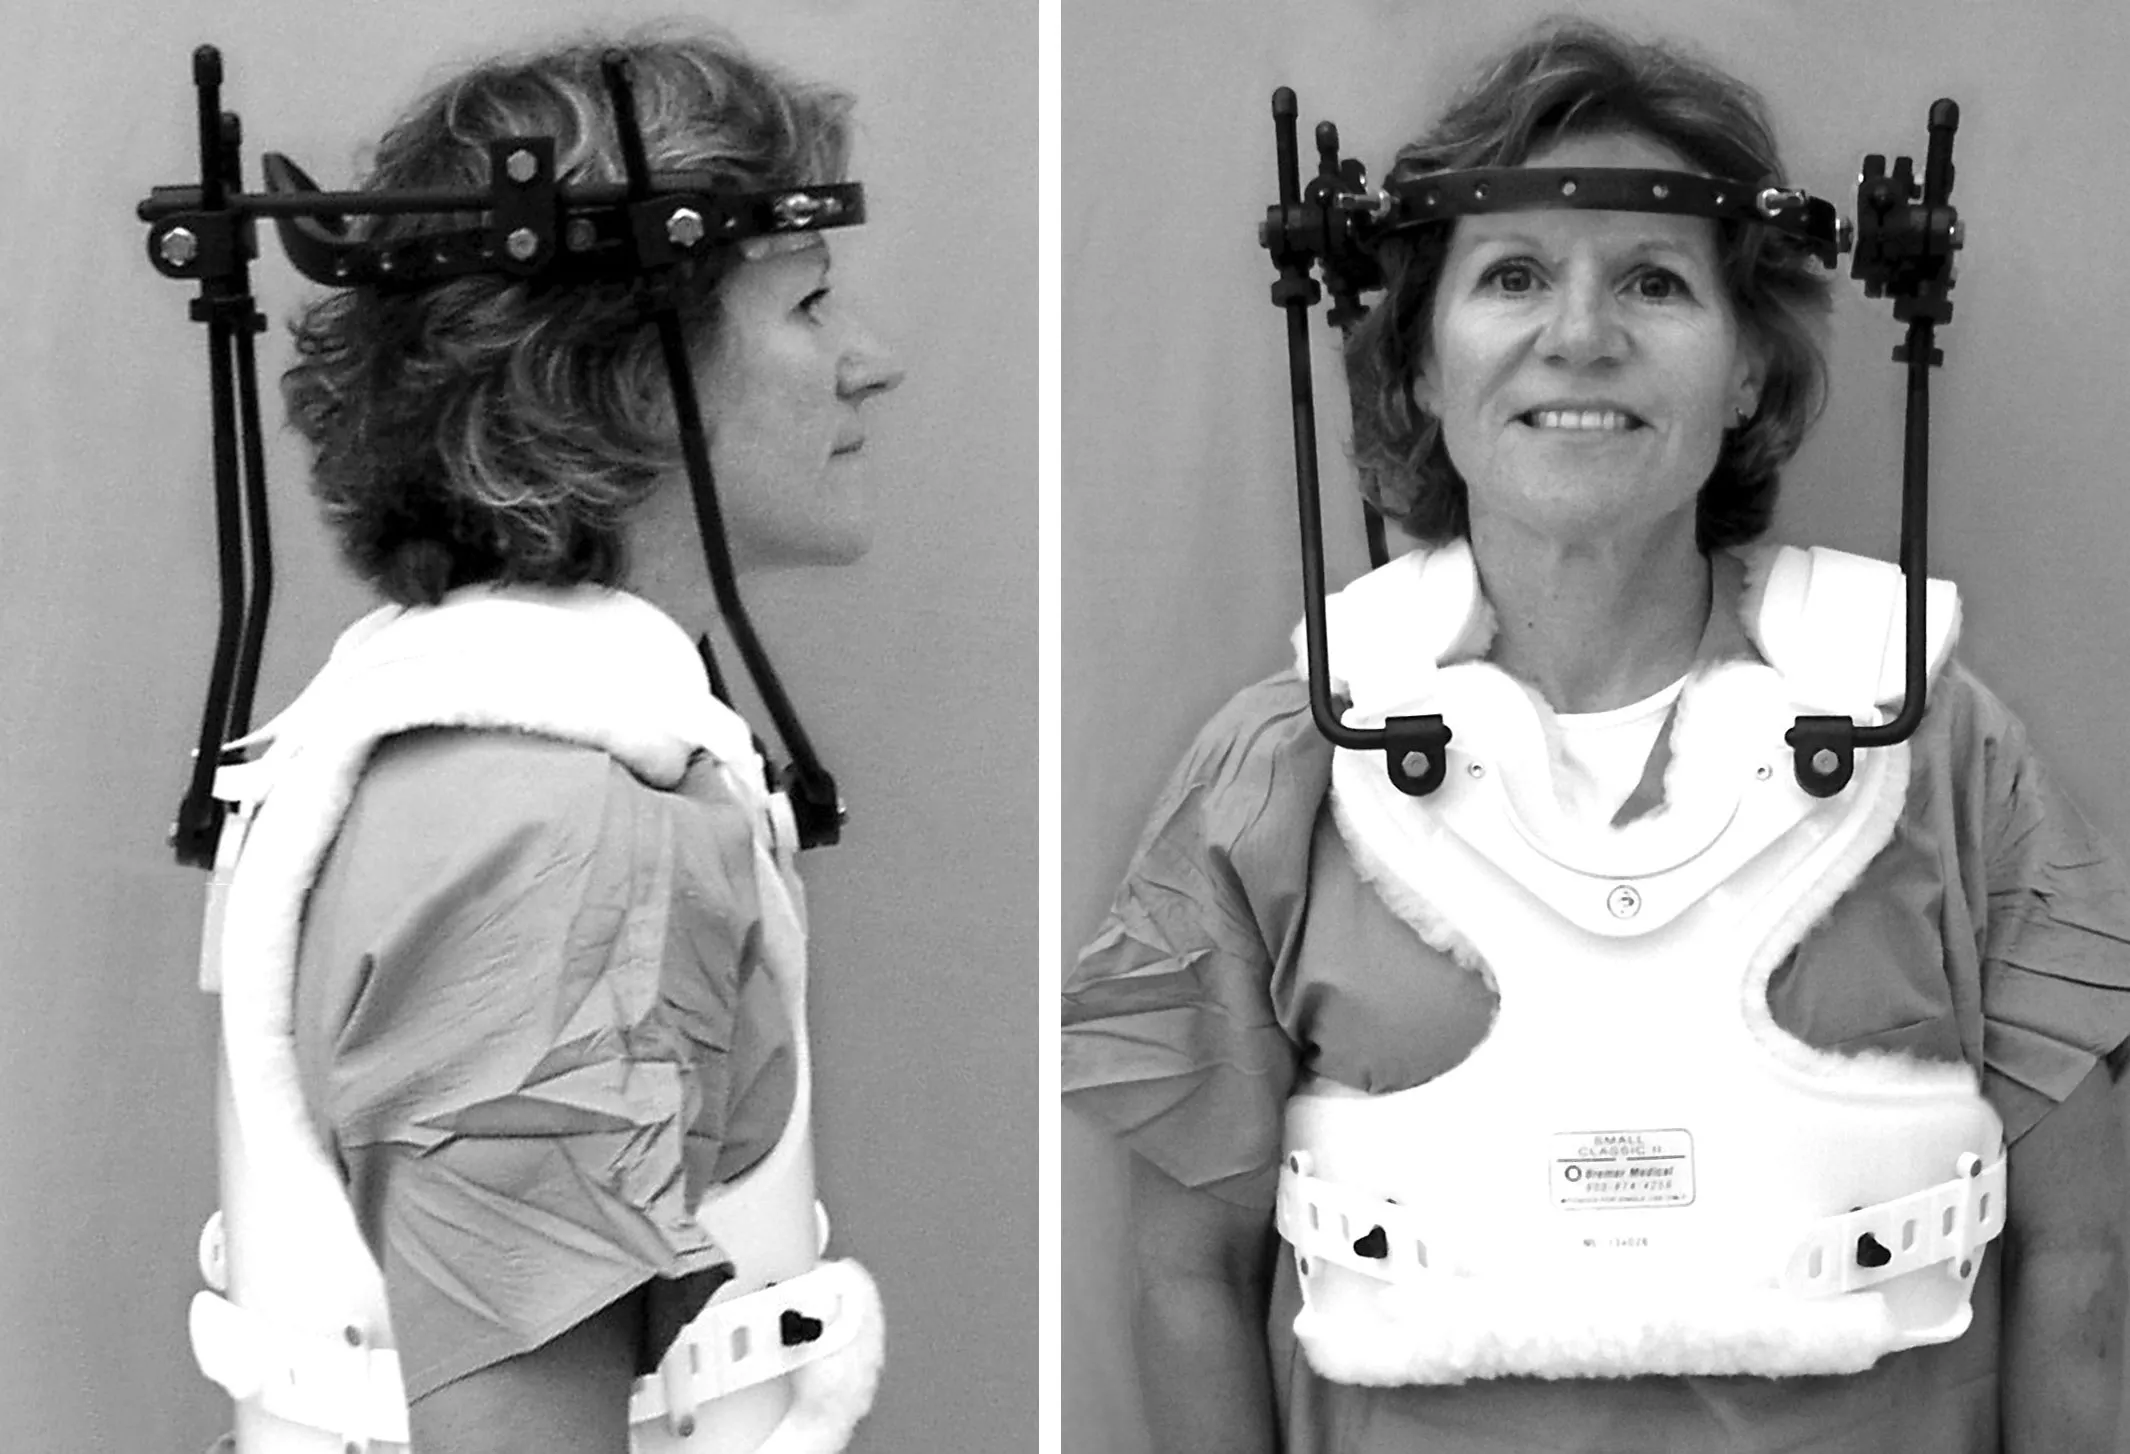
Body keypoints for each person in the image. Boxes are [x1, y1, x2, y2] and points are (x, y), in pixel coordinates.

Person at [1063, 18, 2130, 1454]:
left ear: (1746, 368)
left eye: (1653, 281)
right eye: (1512, 276)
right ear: (1421, 365)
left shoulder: (1937, 748)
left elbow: (2080, 1261)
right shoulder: (1282, 771)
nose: (1580, 335)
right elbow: (1188, 1277)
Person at [197, 28, 902, 1454]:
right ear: (628, 375)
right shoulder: (572, 839)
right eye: (810, 302)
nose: (868, 364)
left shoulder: (407, 740)